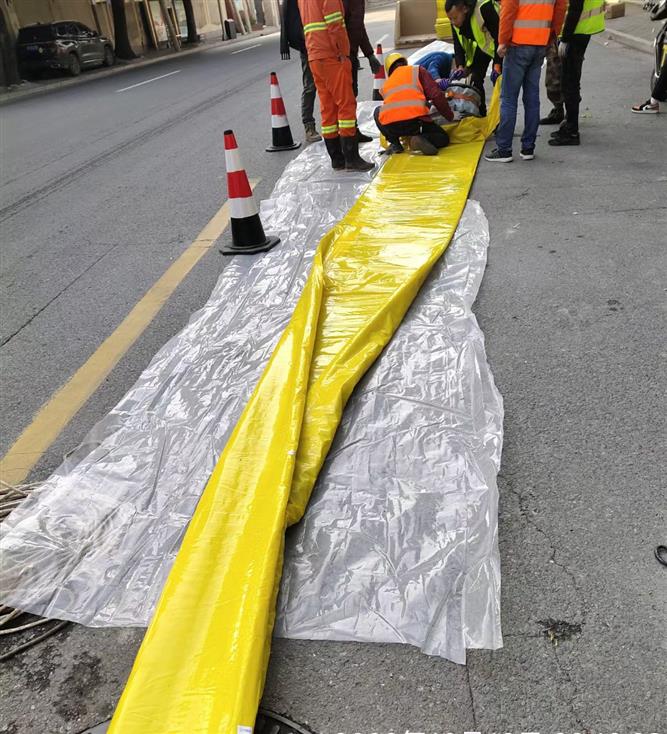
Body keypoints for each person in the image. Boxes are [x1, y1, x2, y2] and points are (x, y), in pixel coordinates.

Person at [484, 0, 566, 162]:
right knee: (532, 98)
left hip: (517, 45)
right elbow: (561, 7)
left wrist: (503, 40)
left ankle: (504, 150)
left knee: (508, 99)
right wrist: (551, 35)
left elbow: (508, 9)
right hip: (540, 43)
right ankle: (528, 148)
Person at [298, 0, 374, 170]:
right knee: (346, 104)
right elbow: (335, 23)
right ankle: (351, 158)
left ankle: (337, 159)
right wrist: (343, 52)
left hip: (315, 55)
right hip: (332, 55)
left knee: (328, 107)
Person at [373, 52, 454, 155]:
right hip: (415, 125)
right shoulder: (417, 71)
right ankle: (418, 139)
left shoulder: (386, 84)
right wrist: (450, 116)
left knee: (377, 111)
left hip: (392, 127)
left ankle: (395, 144)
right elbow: (436, 95)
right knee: (443, 138)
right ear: (405, 63)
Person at [549, 0, 605, 146]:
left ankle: (572, 131)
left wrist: (565, 38)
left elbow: (575, 7)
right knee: (571, 81)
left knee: (570, 83)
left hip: (577, 32)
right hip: (583, 29)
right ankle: (569, 125)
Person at [445, 0, 502, 115]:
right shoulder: (455, 21)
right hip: (482, 49)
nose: (452, 22)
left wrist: (497, 65)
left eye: (455, 18)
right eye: (450, 19)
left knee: (500, 83)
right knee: (475, 79)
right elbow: (458, 44)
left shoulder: (484, 8)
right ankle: (480, 115)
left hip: (501, 47)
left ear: (465, 9)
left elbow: (499, 36)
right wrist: (460, 66)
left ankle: (501, 120)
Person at [280, 0, 322, 143]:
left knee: (332, 86)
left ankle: (337, 123)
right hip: (308, 46)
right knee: (310, 86)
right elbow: (292, 21)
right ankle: (309, 126)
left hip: (326, 42)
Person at [343, 0, 382, 142]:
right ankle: (346, 138)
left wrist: (370, 54)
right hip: (341, 57)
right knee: (345, 98)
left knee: (352, 93)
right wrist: (343, 56)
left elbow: (358, 27)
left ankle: (352, 131)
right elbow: (336, 27)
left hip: (349, 55)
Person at [540, 38, 565, 124]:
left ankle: (570, 119)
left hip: (563, 37)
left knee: (557, 80)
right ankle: (559, 111)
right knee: (554, 79)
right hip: (555, 37)